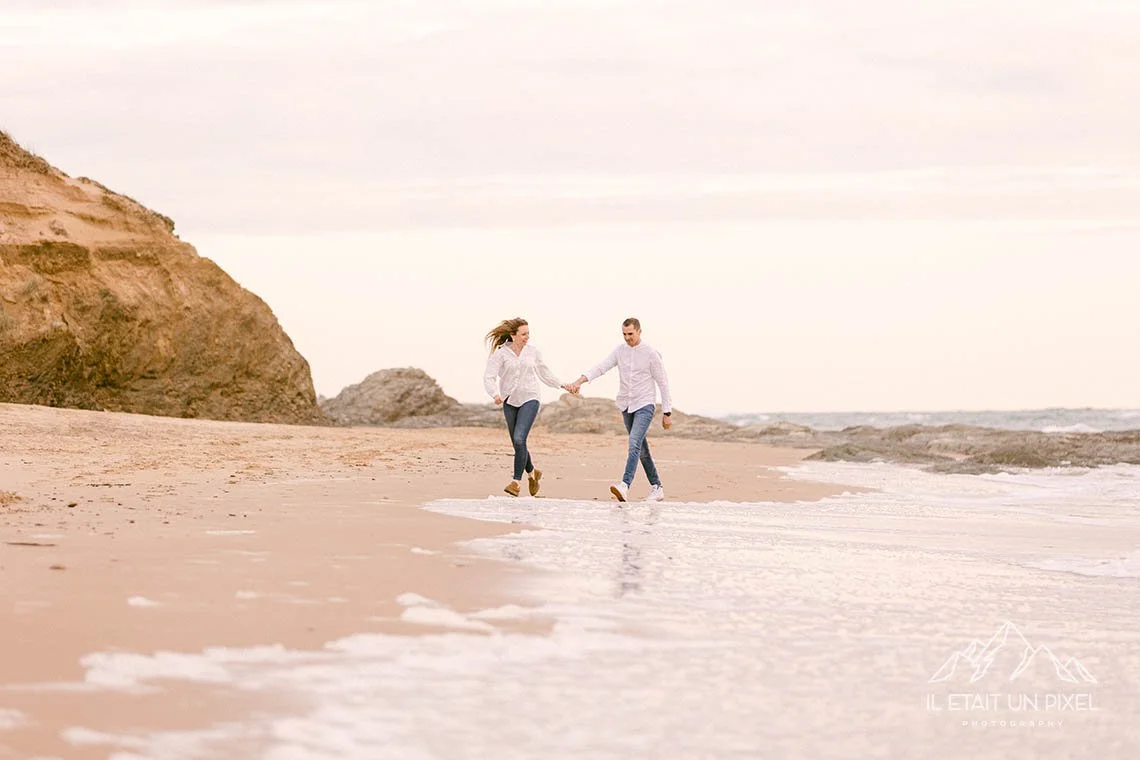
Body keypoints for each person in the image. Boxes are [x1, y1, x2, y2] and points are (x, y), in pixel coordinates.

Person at [568, 317, 673, 503]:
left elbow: (663, 383)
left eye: (631, 334)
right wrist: (580, 381)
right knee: (641, 449)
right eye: (624, 334)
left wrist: (667, 413)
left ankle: (624, 485)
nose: (627, 338)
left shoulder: (650, 354)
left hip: (645, 404)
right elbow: (601, 367)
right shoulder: (620, 351)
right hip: (626, 405)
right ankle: (657, 487)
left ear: (639, 332)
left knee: (633, 443)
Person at [484, 317, 572, 497]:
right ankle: (532, 473)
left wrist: (563, 385)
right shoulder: (501, 353)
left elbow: (544, 372)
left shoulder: (533, 352)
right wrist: (495, 394)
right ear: (513, 335)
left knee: (519, 439)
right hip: (509, 400)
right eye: (523, 334)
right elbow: (489, 376)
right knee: (519, 443)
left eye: (528, 333)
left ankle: (516, 483)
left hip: (530, 397)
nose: (527, 337)